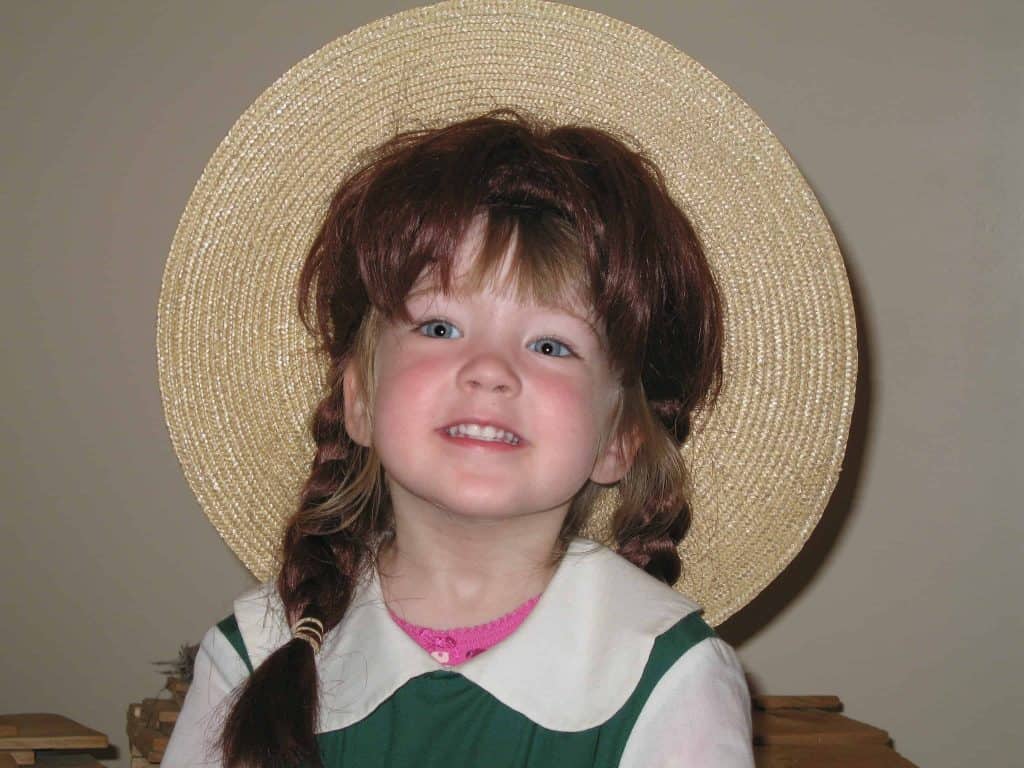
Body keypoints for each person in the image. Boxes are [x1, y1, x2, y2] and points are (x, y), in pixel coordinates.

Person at [161, 107, 754, 767]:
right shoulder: (252, 653)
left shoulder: (668, 678)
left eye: (552, 344)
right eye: (440, 327)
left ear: (620, 438)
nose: (490, 370)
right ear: (357, 397)